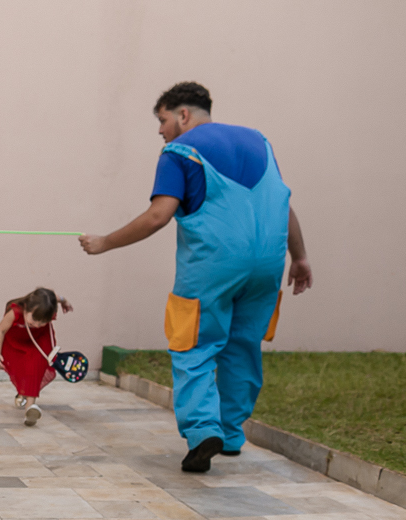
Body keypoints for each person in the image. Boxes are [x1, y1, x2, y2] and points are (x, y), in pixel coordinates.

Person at [79, 82, 313, 472]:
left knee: (193, 345)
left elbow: (159, 214)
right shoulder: (260, 142)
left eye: (163, 119)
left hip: (214, 266)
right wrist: (300, 257)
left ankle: (204, 430)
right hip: (268, 264)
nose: (161, 130)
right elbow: (282, 204)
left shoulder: (178, 152)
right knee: (243, 345)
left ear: (183, 114)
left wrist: (105, 242)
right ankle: (232, 434)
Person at [0, 288, 74, 426]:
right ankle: (24, 394)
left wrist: (64, 301)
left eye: (42, 322)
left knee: (36, 367)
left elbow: (55, 297)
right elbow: (0, 331)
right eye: (35, 320)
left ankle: (30, 409)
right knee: (22, 369)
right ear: (27, 308)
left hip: (39, 340)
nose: (36, 325)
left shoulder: (47, 307)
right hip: (16, 342)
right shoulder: (15, 313)